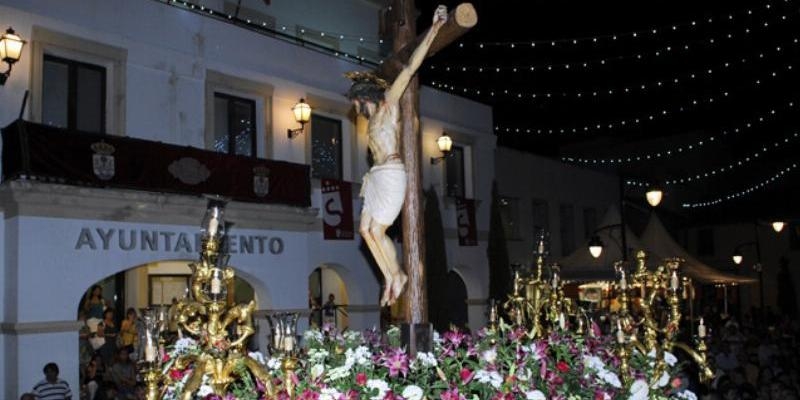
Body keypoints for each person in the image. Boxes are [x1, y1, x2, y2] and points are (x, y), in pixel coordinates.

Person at [346, 4, 448, 306]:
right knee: (365, 230)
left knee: (377, 229)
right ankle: (390, 276)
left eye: (355, 103)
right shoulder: (369, 124)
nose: (354, 109)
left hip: (391, 173)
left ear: (365, 98)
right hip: (376, 176)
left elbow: (411, 67)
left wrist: (435, 28)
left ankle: (397, 276)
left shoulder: (389, 106)